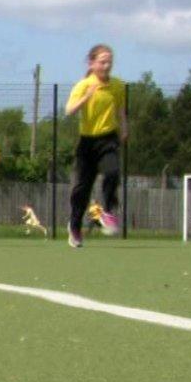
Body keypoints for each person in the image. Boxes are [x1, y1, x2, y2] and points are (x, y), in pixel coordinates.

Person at [65, 43, 127, 248]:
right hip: (87, 143)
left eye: (109, 62)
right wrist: (87, 96)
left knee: (113, 172)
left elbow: (120, 110)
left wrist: (124, 128)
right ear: (92, 63)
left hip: (108, 139)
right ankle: (74, 227)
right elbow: (69, 110)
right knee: (82, 190)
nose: (107, 66)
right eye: (102, 62)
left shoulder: (117, 86)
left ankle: (108, 211)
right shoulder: (84, 85)